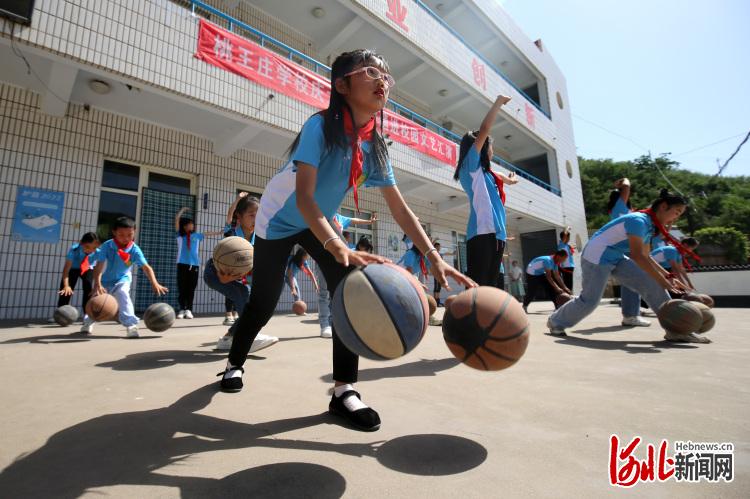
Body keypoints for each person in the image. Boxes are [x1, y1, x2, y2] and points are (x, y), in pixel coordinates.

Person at [218, 49, 474, 432]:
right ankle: (234, 364)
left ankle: (343, 391)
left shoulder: (374, 144)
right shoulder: (320, 126)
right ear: (342, 85)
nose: (382, 80)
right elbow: (304, 198)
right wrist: (337, 245)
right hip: (279, 218)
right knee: (264, 303)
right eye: (370, 72)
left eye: (385, 74)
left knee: (347, 291)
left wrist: (433, 256)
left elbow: (400, 208)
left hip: (318, 221)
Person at [547, 190, 710, 343]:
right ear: (663, 206)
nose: (676, 218)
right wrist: (664, 281)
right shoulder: (638, 221)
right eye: (677, 212)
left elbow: (646, 256)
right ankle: (555, 321)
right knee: (590, 300)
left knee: (651, 284)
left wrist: (668, 277)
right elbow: (638, 256)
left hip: (616, 256)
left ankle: (675, 330)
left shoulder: (649, 225)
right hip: (596, 255)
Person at [454, 94, 519, 286]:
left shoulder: (485, 173)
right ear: (481, 147)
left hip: (497, 234)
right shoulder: (470, 166)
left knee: (491, 287)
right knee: (478, 287)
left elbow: (499, 175)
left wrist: (510, 180)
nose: (492, 150)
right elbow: (485, 129)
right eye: (490, 146)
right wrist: (498, 103)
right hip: (482, 233)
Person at [203, 194, 279, 352]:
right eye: (251, 215)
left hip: (236, 276)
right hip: (215, 273)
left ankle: (228, 339)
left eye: (259, 215)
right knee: (244, 294)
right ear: (239, 216)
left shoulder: (258, 238)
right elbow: (221, 262)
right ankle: (248, 338)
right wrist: (221, 276)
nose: (256, 219)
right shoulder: (232, 234)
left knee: (256, 305)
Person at [90, 217, 168, 338]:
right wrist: (97, 284)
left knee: (122, 293)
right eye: (121, 234)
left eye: (129, 235)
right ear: (114, 232)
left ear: (134, 232)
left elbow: (147, 268)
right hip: (105, 280)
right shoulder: (107, 245)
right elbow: (99, 265)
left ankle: (131, 326)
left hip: (123, 279)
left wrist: (155, 283)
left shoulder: (135, 250)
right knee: (96, 301)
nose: (125, 238)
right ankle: (87, 322)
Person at [317, 213, 376, 338]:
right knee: (323, 293)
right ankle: (324, 325)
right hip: (322, 257)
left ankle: (334, 323)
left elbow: (354, 220)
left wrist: (369, 222)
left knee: (336, 292)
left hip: (338, 260)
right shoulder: (320, 214)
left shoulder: (339, 218)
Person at [606, 177, 649, 325]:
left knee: (632, 280)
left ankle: (632, 313)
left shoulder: (621, 211)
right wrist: (623, 181)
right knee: (633, 280)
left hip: (626, 248)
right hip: (628, 249)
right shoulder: (620, 207)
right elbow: (626, 187)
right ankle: (631, 314)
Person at [174, 208, 223, 320]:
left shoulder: (196, 236)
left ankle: (189, 310)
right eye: (190, 224)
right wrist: (182, 211)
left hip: (195, 265)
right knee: (182, 287)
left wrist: (219, 233)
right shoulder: (180, 236)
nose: (192, 226)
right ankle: (182, 309)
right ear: (185, 226)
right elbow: (177, 220)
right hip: (182, 265)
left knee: (191, 288)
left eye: (193, 224)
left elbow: (207, 234)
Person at [53, 232, 100, 332]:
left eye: (94, 248)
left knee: (88, 287)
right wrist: (66, 285)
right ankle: (60, 313)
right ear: (81, 243)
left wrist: (97, 284)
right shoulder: (74, 250)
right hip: (73, 269)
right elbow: (66, 270)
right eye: (87, 247)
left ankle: (87, 316)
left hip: (87, 268)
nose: (90, 250)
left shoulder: (98, 252)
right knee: (65, 290)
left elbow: (97, 270)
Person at [431, 241, 454, 306]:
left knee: (439, 287)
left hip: (441, 272)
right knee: (436, 287)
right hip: (436, 272)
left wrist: (453, 253)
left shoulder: (440, 253)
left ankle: (437, 301)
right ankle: (436, 302)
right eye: (438, 247)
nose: (439, 248)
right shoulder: (434, 253)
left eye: (439, 247)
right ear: (435, 247)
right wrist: (435, 240)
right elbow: (431, 246)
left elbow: (447, 253)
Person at [558, 227, 575, 291]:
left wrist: (571, 249)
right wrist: (567, 228)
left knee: (569, 283)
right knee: (568, 284)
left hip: (569, 266)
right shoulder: (562, 244)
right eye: (568, 237)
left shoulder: (566, 245)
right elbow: (565, 234)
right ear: (564, 238)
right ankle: (568, 295)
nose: (569, 239)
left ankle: (568, 294)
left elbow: (570, 254)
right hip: (566, 267)